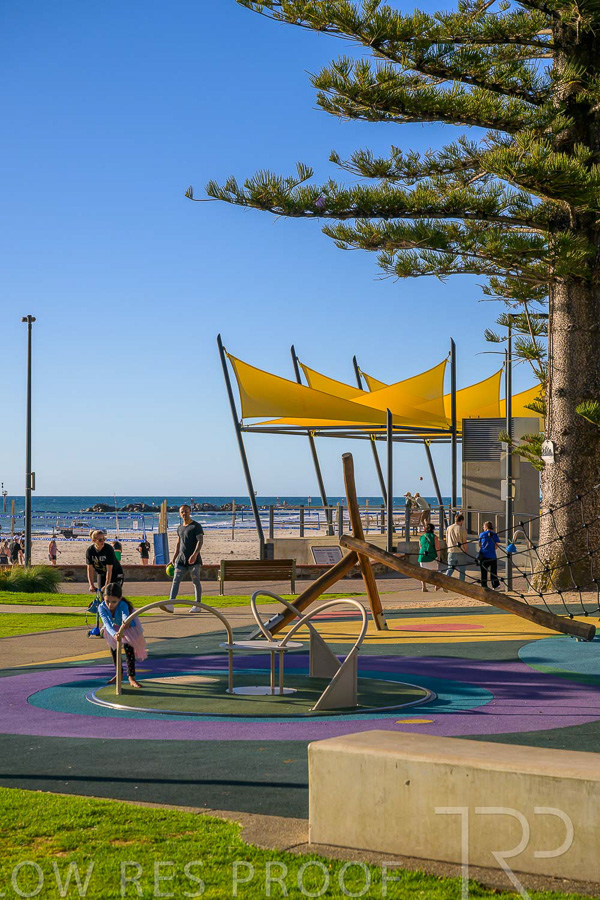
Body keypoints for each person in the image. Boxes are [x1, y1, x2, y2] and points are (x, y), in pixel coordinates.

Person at [98, 582, 146, 688]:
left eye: (114, 602)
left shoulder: (123, 604)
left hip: (128, 626)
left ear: (119, 599)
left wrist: (126, 621)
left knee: (129, 649)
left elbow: (125, 614)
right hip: (113, 628)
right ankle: (119, 674)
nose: (110, 605)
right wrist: (114, 634)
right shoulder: (101, 607)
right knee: (114, 649)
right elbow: (106, 623)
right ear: (104, 598)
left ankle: (131, 677)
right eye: (107, 601)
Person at [164, 505, 204, 613]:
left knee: (196, 581)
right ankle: (170, 604)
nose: (184, 514)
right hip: (181, 560)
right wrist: (173, 558)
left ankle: (197, 605)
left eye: (186, 511)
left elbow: (200, 541)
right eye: (182, 512)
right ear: (179, 513)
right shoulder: (180, 527)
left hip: (194, 560)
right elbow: (178, 544)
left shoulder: (196, 526)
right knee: (175, 581)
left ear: (190, 512)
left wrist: (195, 554)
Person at [418, 523, 442, 593]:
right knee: (434, 571)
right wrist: (439, 557)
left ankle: (423, 586)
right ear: (433, 529)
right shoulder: (434, 537)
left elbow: (420, 546)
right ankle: (436, 585)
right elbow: (437, 547)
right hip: (432, 556)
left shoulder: (421, 537)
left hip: (422, 556)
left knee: (423, 572)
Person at [444, 514, 468, 581]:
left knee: (450, 569)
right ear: (462, 520)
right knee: (462, 570)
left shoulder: (449, 528)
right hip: (460, 551)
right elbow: (464, 541)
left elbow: (447, 540)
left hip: (451, 551)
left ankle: (445, 581)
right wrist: (466, 550)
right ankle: (461, 584)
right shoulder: (462, 529)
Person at [479, 520, 501, 589]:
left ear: (486, 527)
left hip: (484, 555)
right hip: (492, 556)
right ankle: (495, 585)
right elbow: (496, 546)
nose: (483, 528)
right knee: (493, 572)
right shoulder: (494, 535)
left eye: (483, 527)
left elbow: (480, 545)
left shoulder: (482, 534)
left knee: (484, 572)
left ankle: (484, 585)